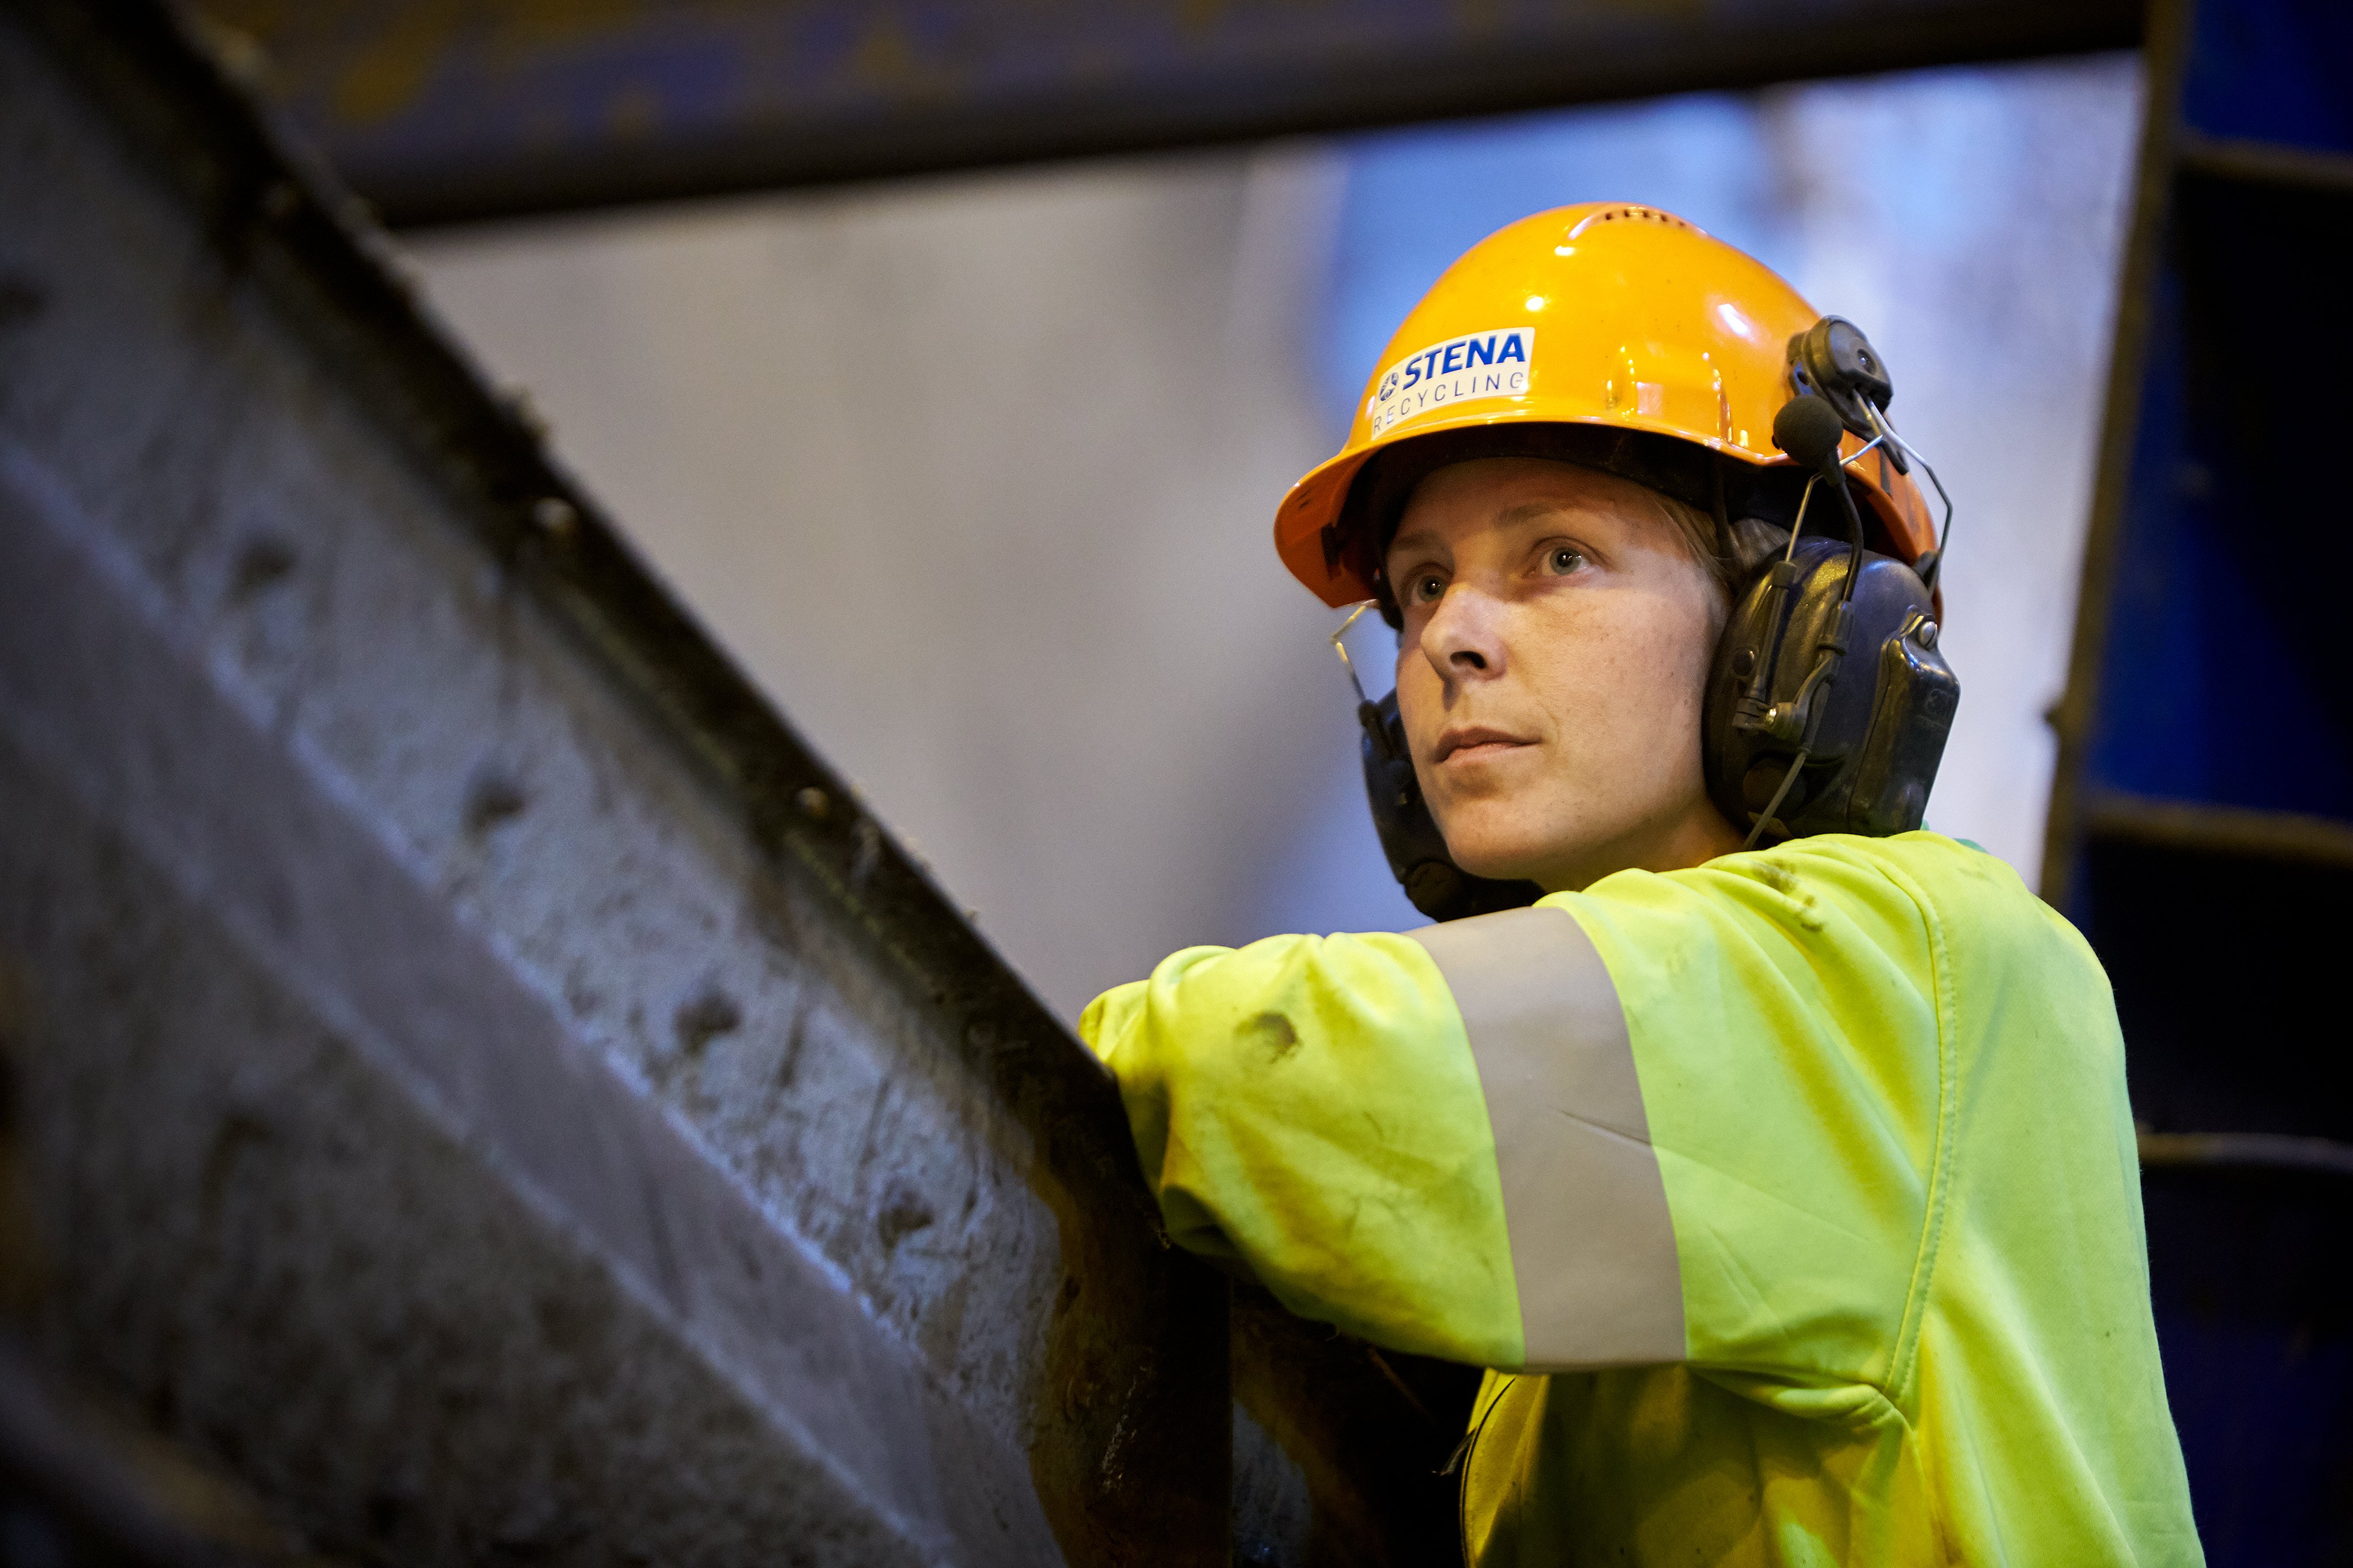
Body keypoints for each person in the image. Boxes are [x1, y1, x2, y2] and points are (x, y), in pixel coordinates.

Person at [1079, 205, 2201, 1563]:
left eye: (1557, 556)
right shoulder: (1591, 1254)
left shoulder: (1914, 967)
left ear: (1794, 632)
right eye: (1420, 583)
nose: (1451, 640)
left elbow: (1263, 1067)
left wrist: (1060, 1063)